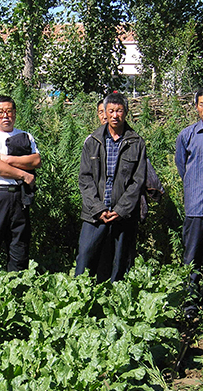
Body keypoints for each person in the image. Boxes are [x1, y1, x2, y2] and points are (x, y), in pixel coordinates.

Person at [76, 92, 147, 283]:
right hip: (94, 214)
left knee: (119, 264)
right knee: (85, 260)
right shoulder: (92, 141)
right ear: (105, 113)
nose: (115, 115)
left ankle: (116, 305)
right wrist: (98, 208)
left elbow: (138, 181)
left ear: (126, 113)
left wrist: (121, 209)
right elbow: (85, 179)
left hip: (122, 215)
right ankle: (81, 302)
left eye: (119, 111)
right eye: (111, 111)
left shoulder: (136, 142)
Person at [0, 95, 41, 271]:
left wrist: (8, 159)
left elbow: (36, 161)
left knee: (19, 246)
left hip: (19, 197)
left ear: (15, 113)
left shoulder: (25, 136)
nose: (5, 116)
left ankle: (17, 289)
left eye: (9, 111)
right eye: (0, 112)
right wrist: (24, 175)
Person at [175, 85, 203, 316]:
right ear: (196, 107)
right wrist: (195, 186)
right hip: (196, 204)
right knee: (192, 255)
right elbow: (182, 165)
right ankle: (190, 302)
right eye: (201, 104)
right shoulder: (187, 135)